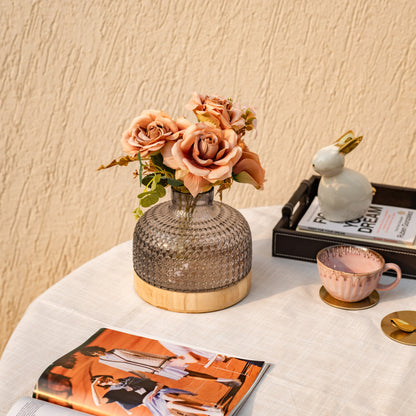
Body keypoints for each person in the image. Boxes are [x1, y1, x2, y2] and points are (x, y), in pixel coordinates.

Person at [81, 346, 240, 388]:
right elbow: (128, 368)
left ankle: (224, 379)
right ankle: (224, 380)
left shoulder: (116, 350)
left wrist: (165, 357)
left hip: (160, 362)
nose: (97, 352)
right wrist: (144, 375)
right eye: (94, 353)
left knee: (191, 369)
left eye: (96, 349)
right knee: (188, 375)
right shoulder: (104, 362)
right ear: (93, 355)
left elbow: (137, 353)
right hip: (154, 369)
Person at [91, 374, 223, 416]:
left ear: (107, 376)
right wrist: (93, 386)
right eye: (101, 383)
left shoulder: (129, 379)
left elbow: (158, 383)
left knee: (168, 396)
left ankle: (210, 409)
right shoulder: (113, 393)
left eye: (103, 378)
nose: (104, 381)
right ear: (101, 386)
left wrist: (154, 392)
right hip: (149, 401)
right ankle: (209, 410)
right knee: (173, 404)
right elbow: (98, 403)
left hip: (157, 392)